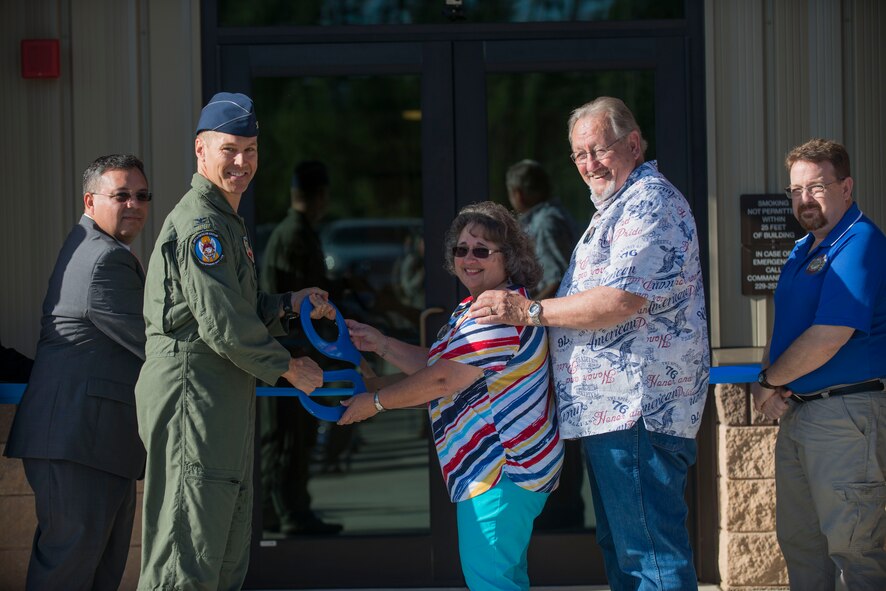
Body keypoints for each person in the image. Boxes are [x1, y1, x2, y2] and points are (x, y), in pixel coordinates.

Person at [472, 96, 710, 590]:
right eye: (579, 155)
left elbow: (622, 299)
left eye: (598, 150)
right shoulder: (616, 208)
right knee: (625, 552)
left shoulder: (650, 201)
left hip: (639, 411)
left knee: (649, 557)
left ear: (634, 143)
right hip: (611, 414)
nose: (589, 164)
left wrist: (527, 312)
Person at [134, 92, 330, 590]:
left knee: (220, 549)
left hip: (219, 395)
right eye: (229, 149)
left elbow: (238, 309)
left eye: (250, 150)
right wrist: (289, 367)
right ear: (201, 150)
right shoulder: (202, 224)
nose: (242, 162)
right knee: (187, 556)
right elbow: (221, 324)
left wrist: (289, 303)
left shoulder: (224, 219)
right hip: (192, 396)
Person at [339, 201, 564, 591]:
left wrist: (374, 404)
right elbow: (442, 365)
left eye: (481, 250)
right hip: (501, 473)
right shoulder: (477, 307)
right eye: (461, 249)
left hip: (501, 470)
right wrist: (381, 344)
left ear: (507, 257)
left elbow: (442, 381)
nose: (468, 258)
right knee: (504, 579)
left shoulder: (499, 313)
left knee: (492, 583)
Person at [5, 154, 152, 590]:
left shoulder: (100, 249)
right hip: (78, 443)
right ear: (90, 201)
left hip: (94, 443)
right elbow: (156, 341)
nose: (134, 204)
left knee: (95, 575)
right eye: (121, 195)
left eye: (142, 195)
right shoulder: (102, 259)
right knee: (68, 575)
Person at [752, 138, 886, 589]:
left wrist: (770, 380)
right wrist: (764, 382)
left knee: (855, 550)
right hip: (801, 412)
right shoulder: (802, 249)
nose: (804, 199)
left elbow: (829, 336)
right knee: (801, 545)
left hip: (845, 416)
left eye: (817, 187)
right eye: (795, 190)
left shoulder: (860, 241)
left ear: (846, 187)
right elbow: (785, 328)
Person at [258, 160, 342, 535]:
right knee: (286, 436)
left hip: (296, 351)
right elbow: (301, 299)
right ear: (318, 196)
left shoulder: (299, 233)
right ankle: (288, 512)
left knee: (295, 434)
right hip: (288, 353)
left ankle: (282, 510)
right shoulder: (293, 235)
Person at [506, 159, 577, 299]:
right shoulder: (557, 214)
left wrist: (526, 314)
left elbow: (557, 281)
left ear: (517, 194)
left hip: (550, 315)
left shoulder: (544, 223)